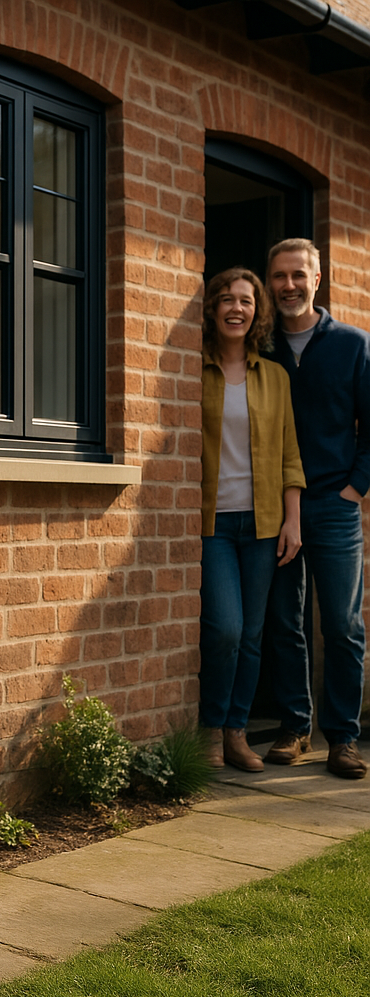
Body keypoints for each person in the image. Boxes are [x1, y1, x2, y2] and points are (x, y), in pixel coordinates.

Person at [262, 239, 370, 780]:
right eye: (279, 276)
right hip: (278, 505)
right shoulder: (261, 347)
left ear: (318, 277)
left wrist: (356, 488)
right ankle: (295, 727)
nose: (288, 285)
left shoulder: (353, 345)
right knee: (286, 620)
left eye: (298, 275)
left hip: (334, 504)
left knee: (344, 624)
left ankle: (344, 739)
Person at [200, 267, 305, 772]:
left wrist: (293, 521)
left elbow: (289, 453)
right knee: (225, 629)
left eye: (245, 300)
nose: (235, 308)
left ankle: (236, 734)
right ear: (212, 309)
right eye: (226, 299)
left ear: (256, 311)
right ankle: (211, 729)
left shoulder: (276, 377)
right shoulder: (194, 371)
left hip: (263, 526)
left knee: (253, 634)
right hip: (215, 524)